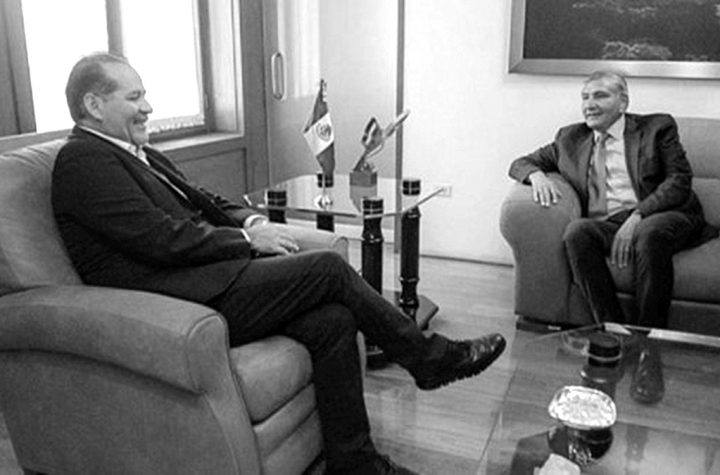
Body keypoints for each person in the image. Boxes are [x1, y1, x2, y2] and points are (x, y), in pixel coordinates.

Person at [52, 52, 506, 475]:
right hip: (178, 300)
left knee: (333, 320)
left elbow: (203, 200)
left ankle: (355, 463)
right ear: (94, 105)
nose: (148, 107)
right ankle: (429, 358)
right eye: (134, 97)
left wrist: (251, 219)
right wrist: (247, 240)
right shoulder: (83, 161)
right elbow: (160, 240)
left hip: (208, 277)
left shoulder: (137, 152)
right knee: (326, 268)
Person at [508, 70, 712, 404]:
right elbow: (521, 162)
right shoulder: (570, 138)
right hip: (611, 222)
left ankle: (650, 349)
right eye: (585, 97)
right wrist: (537, 176)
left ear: (623, 102)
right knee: (577, 232)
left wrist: (639, 215)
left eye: (600, 96)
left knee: (649, 234)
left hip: (665, 215)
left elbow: (679, 181)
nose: (589, 104)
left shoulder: (657, 128)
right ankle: (615, 332)